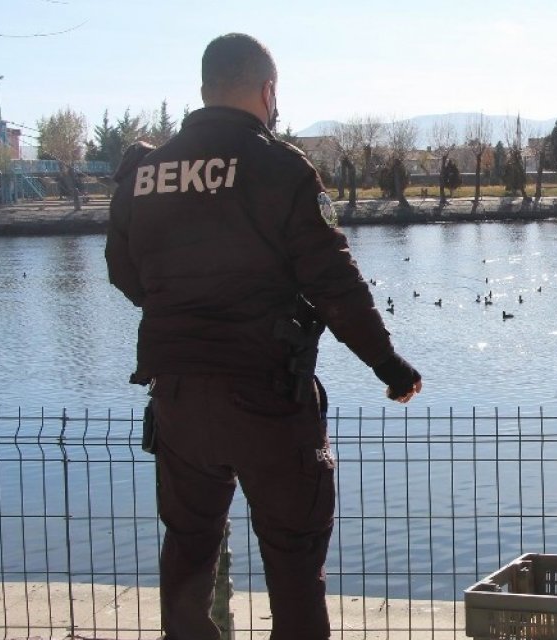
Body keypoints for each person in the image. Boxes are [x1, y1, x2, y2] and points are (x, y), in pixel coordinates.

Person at [106, 33, 422, 640]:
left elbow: (125, 277)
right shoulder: (278, 168)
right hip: (268, 400)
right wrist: (389, 366)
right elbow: (336, 284)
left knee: (188, 553)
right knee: (294, 561)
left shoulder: (142, 174)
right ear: (268, 90)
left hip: (177, 400)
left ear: (203, 89)